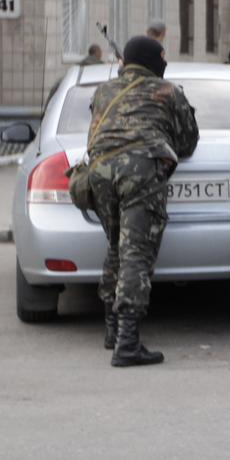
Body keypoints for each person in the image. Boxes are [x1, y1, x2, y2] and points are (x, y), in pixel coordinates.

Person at [88, 35, 198, 366]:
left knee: (116, 248)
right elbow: (188, 140)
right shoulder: (167, 91)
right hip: (141, 169)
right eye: (162, 57)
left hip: (100, 170)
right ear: (153, 61)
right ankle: (127, 343)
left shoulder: (103, 91)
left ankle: (111, 329)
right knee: (136, 253)